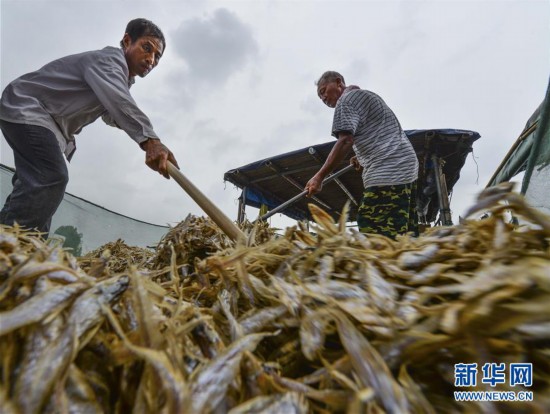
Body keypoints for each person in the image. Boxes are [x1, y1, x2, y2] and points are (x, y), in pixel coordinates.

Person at [0, 18, 179, 237]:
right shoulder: (109, 62)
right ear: (127, 41)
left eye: (157, 56)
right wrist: (151, 140)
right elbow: (119, 102)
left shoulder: (119, 78)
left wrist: (135, 128)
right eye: (147, 48)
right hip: (28, 108)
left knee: (36, 191)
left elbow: (113, 113)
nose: (151, 59)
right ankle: (15, 250)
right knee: (50, 176)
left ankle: (23, 248)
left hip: (43, 122)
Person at [305, 71, 419, 239]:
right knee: (403, 239)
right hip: (406, 169)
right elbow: (380, 133)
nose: (323, 98)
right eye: (320, 97)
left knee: (372, 236)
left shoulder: (346, 101)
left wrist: (319, 177)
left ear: (338, 82)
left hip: (388, 171)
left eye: (323, 91)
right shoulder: (366, 96)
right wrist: (362, 157)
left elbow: (345, 141)